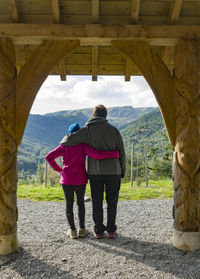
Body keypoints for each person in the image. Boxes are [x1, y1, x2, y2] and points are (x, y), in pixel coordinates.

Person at [60, 105, 126, 239]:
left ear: (94, 115)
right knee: (112, 201)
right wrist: (122, 170)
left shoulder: (87, 130)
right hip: (114, 172)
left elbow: (67, 140)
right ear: (105, 115)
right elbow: (122, 153)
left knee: (97, 201)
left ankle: (99, 231)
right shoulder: (114, 131)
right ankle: (112, 231)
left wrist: (66, 139)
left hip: (95, 172)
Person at [45, 123, 119, 239]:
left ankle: (72, 230)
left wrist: (59, 169)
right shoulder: (82, 146)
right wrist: (114, 153)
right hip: (80, 179)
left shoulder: (63, 146)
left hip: (66, 179)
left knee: (69, 204)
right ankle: (82, 229)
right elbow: (97, 155)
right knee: (80, 203)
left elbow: (48, 157)